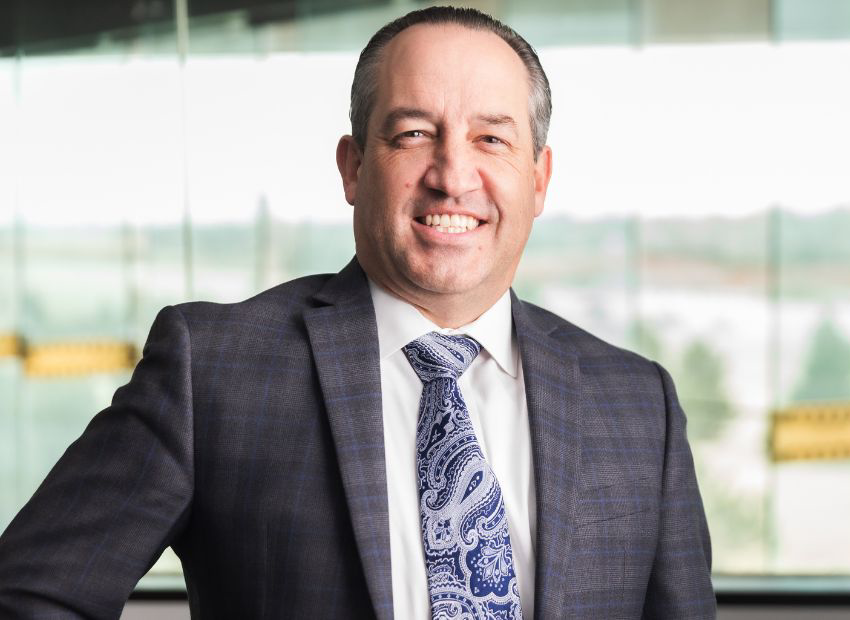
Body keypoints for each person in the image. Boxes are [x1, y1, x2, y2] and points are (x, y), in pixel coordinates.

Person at [0, 6, 714, 619]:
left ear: (539, 177)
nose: (451, 175)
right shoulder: (211, 369)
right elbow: (30, 595)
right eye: (411, 133)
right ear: (352, 167)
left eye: (490, 138)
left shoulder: (637, 403)